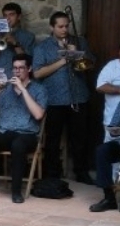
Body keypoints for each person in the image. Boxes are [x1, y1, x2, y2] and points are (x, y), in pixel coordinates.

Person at [0, 54, 47, 204]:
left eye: (21, 68)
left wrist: (23, 90)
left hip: (28, 134)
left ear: (29, 69)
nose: (17, 71)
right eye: (15, 68)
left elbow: (39, 115)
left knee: (18, 145)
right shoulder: (5, 90)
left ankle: (16, 191)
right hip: (4, 132)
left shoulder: (39, 89)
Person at [32, 11, 93, 184]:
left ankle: (82, 172)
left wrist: (78, 55)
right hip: (54, 99)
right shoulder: (42, 47)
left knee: (80, 138)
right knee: (53, 139)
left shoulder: (79, 42)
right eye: (60, 26)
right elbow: (37, 73)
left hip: (78, 96)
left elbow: (89, 65)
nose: (64, 29)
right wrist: (65, 60)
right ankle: (52, 174)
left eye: (66, 26)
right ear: (52, 27)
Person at [0, 3, 36, 130]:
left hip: (16, 85)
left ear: (19, 17)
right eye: (5, 15)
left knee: (12, 123)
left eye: (11, 15)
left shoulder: (28, 36)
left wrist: (15, 43)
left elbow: (27, 60)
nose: (8, 18)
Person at [89, 45, 120, 211]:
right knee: (103, 152)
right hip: (114, 126)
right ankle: (109, 198)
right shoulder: (112, 66)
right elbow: (100, 86)